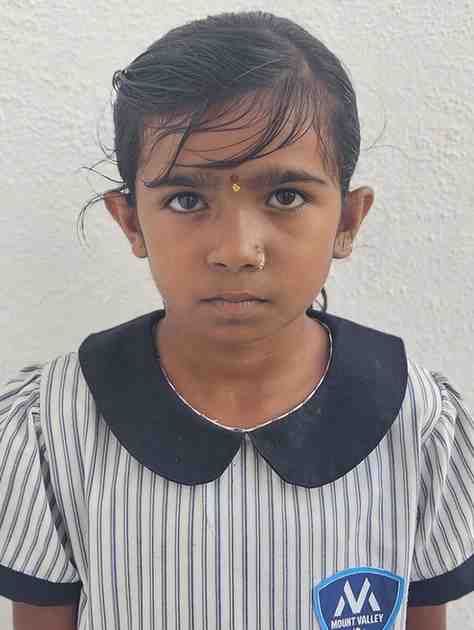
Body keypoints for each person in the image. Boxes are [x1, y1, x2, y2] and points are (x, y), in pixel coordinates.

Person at [1, 10, 472, 630]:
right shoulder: (50, 429)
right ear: (132, 222)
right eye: (186, 199)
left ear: (348, 221)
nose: (237, 250)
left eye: (286, 196)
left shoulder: (422, 427)